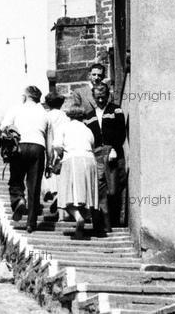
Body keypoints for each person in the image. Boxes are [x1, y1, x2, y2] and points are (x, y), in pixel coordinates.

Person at [0, 86, 51, 233]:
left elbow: (3, 127)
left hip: (19, 146)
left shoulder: (16, 109)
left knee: (16, 179)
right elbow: (49, 140)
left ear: (26, 96)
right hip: (38, 148)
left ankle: (18, 200)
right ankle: (31, 223)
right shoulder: (44, 113)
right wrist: (49, 162)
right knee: (34, 187)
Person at [84, 83, 127, 231]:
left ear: (108, 96)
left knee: (114, 188)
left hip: (113, 153)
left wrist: (114, 148)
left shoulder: (116, 110)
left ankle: (116, 221)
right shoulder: (89, 116)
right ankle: (104, 223)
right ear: (94, 97)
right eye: (98, 97)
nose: (100, 100)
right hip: (97, 155)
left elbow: (121, 131)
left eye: (103, 97)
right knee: (100, 189)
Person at [53, 105, 98, 240]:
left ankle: (78, 217)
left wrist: (59, 156)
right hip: (90, 160)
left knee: (66, 195)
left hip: (72, 159)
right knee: (84, 194)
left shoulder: (64, 127)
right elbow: (92, 145)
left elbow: (57, 145)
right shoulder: (87, 129)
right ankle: (81, 227)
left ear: (69, 116)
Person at [44, 92, 68, 202]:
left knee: (48, 169)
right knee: (57, 170)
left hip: (49, 146)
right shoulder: (65, 117)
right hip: (60, 146)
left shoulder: (47, 116)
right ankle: (57, 192)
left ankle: (49, 190)